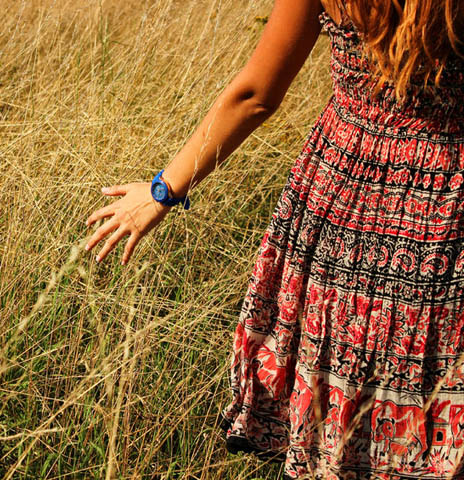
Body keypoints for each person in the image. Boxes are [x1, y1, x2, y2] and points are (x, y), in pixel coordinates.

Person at [84, 0, 464, 478]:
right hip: (449, 213)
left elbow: (256, 94)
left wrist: (163, 191)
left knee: (342, 426)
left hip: (340, 208)